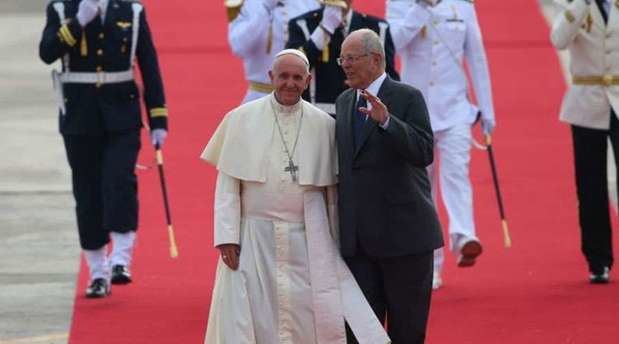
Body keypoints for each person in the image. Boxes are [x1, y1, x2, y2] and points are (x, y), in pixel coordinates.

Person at [201, 49, 389, 344]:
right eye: (283, 76)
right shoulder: (240, 119)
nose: (290, 83)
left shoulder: (324, 124)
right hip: (253, 237)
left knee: (305, 315)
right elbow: (228, 184)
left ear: (308, 80)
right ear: (270, 78)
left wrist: (337, 240)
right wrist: (227, 236)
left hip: (306, 238)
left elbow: (331, 193)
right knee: (256, 315)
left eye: (297, 78)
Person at [39, 0, 169, 298]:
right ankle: (97, 271)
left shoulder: (132, 11)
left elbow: (148, 64)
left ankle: (121, 260)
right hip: (79, 114)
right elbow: (47, 53)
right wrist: (77, 23)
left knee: (119, 182)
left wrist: (158, 117)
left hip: (121, 112)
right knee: (87, 192)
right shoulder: (61, 9)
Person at [335, 29, 443, 343]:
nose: (345, 65)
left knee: (406, 333)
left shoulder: (407, 96)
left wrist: (387, 123)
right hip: (359, 246)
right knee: (358, 334)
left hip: (405, 241)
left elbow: (423, 152)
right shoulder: (344, 102)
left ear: (377, 59)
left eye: (352, 58)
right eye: (343, 59)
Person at [386, 0, 496, 290]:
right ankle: (431, 264)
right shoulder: (399, 5)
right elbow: (392, 44)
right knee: (425, 187)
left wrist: (487, 108)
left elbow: (477, 57)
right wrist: (419, 9)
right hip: (417, 110)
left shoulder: (462, 6)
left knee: (457, 171)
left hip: (455, 107)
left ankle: (463, 235)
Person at [550, 0, 618, 284]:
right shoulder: (576, 5)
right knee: (591, 185)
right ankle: (597, 258)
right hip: (586, 101)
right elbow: (559, 39)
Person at [286, 0, 399, 115]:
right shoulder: (302, 24)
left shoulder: (378, 28)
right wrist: (324, 29)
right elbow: (293, 69)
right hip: (318, 114)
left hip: (363, 116)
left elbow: (390, 77)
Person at [226, 0, 320, 104]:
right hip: (260, 95)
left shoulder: (311, 3)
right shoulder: (248, 4)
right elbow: (239, 47)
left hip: (301, 96)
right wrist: (265, 8)